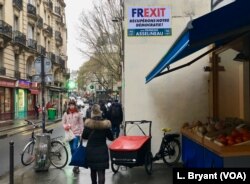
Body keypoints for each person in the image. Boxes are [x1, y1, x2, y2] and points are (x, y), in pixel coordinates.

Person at [82, 104, 114, 184]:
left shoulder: (88, 124)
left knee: (93, 171)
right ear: (100, 113)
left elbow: (84, 136)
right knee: (101, 172)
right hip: (102, 150)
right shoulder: (105, 124)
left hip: (91, 151)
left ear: (92, 113)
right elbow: (111, 137)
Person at [62, 100, 83, 174]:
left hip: (76, 134)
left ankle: (76, 165)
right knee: (71, 149)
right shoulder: (66, 113)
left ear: (75, 105)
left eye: (72, 105)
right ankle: (75, 164)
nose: (71, 106)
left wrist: (81, 134)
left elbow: (81, 124)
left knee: (74, 148)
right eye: (70, 105)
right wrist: (65, 126)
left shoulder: (78, 114)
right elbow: (63, 122)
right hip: (69, 134)